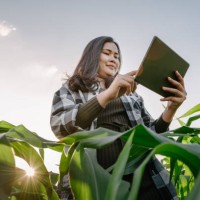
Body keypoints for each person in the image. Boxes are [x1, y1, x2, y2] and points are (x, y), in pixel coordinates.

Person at [50, 36, 187, 200]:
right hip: (95, 183)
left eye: (117, 56)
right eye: (107, 53)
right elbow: (61, 128)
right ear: (92, 56)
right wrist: (108, 95)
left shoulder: (132, 96)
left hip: (144, 178)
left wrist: (171, 109)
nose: (113, 59)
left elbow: (152, 135)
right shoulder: (72, 89)